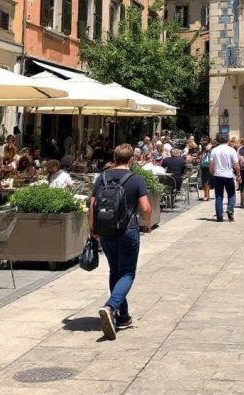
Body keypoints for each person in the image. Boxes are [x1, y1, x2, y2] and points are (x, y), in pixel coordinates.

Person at [90, 143, 151, 340]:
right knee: (127, 273)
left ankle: (122, 316)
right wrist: (147, 225)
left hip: (106, 231)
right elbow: (146, 207)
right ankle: (111, 306)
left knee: (115, 271)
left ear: (114, 158)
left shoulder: (102, 177)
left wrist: (93, 230)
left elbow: (92, 204)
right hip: (128, 230)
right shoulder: (136, 180)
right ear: (131, 159)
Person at [209, 135, 242, 222]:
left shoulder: (214, 150)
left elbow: (211, 164)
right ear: (228, 140)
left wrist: (212, 172)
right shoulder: (231, 150)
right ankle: (230, 209)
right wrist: (238, 175)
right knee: (231, 194)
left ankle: (219, 216)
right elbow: (236, 164)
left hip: (218, 175)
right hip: (228, 175)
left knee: (219, 196)